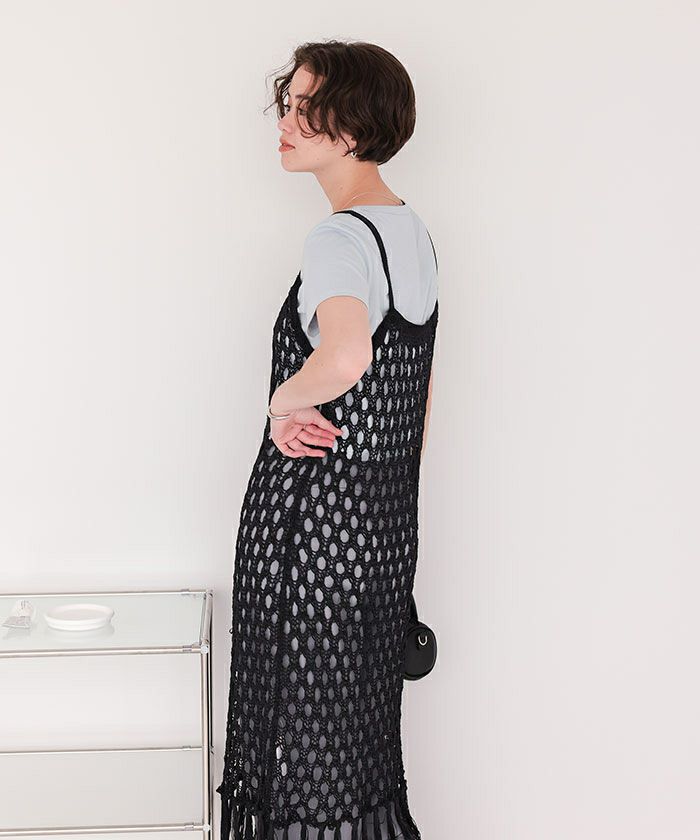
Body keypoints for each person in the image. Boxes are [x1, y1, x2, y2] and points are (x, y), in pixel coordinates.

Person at [217, 40, 439, 840]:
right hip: (377, 534)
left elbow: (347, 358)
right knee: (353, 752)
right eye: (288, 102)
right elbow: (415, 402)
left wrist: (282, 401)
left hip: (309, 531)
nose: (285, 121)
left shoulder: (339, 239)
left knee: (297, 754)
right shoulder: (411, 233)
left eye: (306, 107)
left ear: (352, 125)